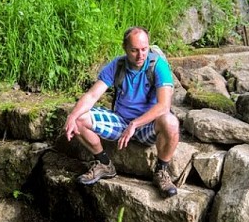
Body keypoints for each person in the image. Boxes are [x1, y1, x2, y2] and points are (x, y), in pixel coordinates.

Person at [64, 26, 180, 197]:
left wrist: (135, 124)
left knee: (170, 122)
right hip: (120, 121)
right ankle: (104, 164)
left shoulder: (158, 66)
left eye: (144, 49)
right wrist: (72, 116)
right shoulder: (117, 65)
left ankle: (161, 171)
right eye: (134, 50)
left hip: (147, 125)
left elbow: (163, 105)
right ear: (125, 48)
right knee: (79, 119)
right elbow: (92, 95)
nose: (140, 55)